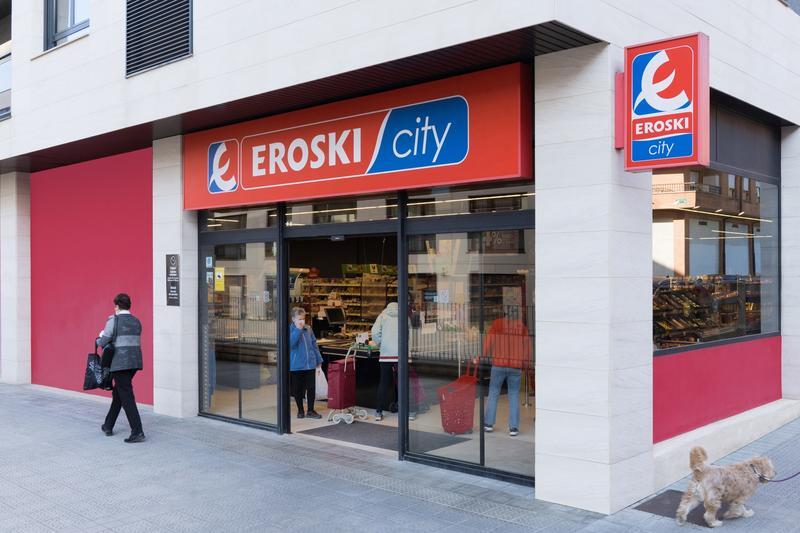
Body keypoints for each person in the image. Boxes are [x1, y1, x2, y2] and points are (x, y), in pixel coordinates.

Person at [97, 293, 145, 443]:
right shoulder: (136, 321)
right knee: (119, 393)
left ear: (117, 306)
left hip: (119, 364)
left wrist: (100, 337)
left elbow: (103, 341)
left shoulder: (114, 320)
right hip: (134, 363)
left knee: (127, 396)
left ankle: (137, 431)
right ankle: (108, 425)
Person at [481, 308, 532, 437]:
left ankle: (488, 424)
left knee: (493, 393)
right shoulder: (522, 327)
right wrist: (526, 364)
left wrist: (482, 355)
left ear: (505, 313)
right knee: (514, 395)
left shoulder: (497, 324)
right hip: (515, 365)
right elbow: (527, 348)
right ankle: (513, 428)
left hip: (498, 364)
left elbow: (488, 341)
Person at [371, 301, 417, 421]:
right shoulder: (405, 316)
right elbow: (410, 335)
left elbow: (375, 333)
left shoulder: (382, 316)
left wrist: (382, 344)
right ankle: (409, 411)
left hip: (386, 354)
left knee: (384, 382)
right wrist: (408, 350)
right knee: (404, 383)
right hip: (402, 354)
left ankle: (378, 412)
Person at [289, 307, 323, 419]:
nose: (302, 321)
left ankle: (310, 410)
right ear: (293, 319)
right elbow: (291, 344)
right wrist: (298, 330)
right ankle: (300, 410)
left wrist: (318, 360)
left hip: (310, 364)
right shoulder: (290, 330)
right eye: (299, 319)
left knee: (311, 387)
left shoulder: (308, 329)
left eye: (303, 319)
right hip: (296, 365)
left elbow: (314, 345)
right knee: (297, 389)